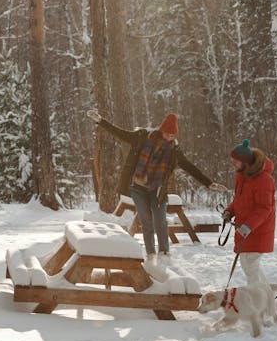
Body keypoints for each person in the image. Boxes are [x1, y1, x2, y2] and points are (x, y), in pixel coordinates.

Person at [87, 109, 226, 262]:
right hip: (138, 188)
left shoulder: (174, 150)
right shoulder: (142, 137)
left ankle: (164, 253)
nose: (169, 138)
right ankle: (151, 253)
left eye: (172, 136)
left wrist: (209, 183)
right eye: (167, 134)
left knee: (160, 221)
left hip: (158, 191)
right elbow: (121, 134)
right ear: (161, 130)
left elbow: (189, 166)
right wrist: (101, 121)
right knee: (146, 221)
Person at [221, 139, 276, 285]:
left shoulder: (264, 179)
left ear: (246, 163)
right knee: (250, 266)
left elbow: (264, 208)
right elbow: (239, 200)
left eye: (236, 161)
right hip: (244, 229)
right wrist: (229, 211)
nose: (233, 163)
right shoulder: (242, 176)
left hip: (257, 230)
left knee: (249, 265)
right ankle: (265, 296)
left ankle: (259, 299)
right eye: (232, 160)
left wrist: (249, 226)